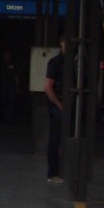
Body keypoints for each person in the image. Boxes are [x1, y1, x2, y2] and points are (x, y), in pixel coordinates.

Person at [44, 36, 65, 183]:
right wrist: (59, 104)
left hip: (64, 105)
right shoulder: (56, 62)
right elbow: (48, 87)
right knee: (56, 139)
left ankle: (60, 171)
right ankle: (53, 172)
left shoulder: (75, 62)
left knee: (61, 140)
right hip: (59, 106)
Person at [0, 50, 19, 122]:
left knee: (11, 101)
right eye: (6, 54)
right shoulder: (1, 64)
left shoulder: (13, 64)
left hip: (11, 85)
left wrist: (17, 86)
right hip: (3, 84)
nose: (7, 56)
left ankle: (9, 117)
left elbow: (16, 75)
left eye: (8, 54)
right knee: (3, 101)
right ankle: (4, 117)